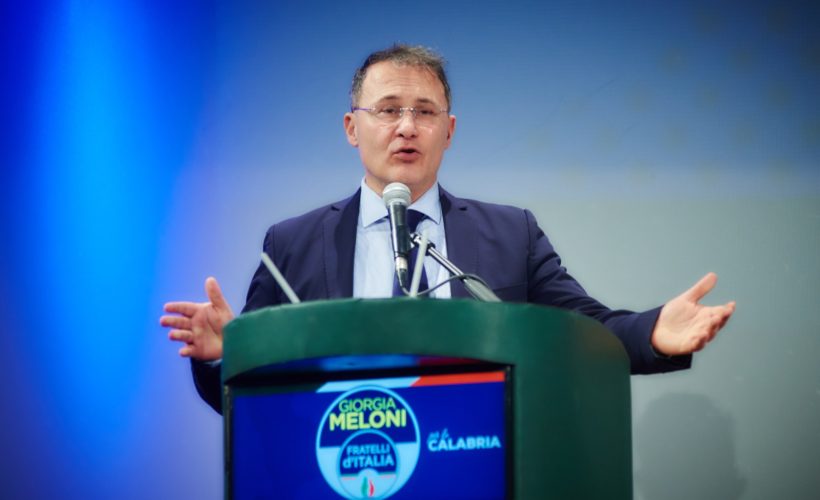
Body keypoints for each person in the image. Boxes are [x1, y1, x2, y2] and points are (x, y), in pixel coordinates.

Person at [160, 44, 736, 414]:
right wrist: (223, 355)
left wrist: (653, 330)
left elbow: (586, 330)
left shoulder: (511, 234)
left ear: (449, 130)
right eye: (388, 109)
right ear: (352, 128)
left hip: (473, 463)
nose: (407, 127)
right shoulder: (292, 243)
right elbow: (250, 386)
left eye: (425, 111)